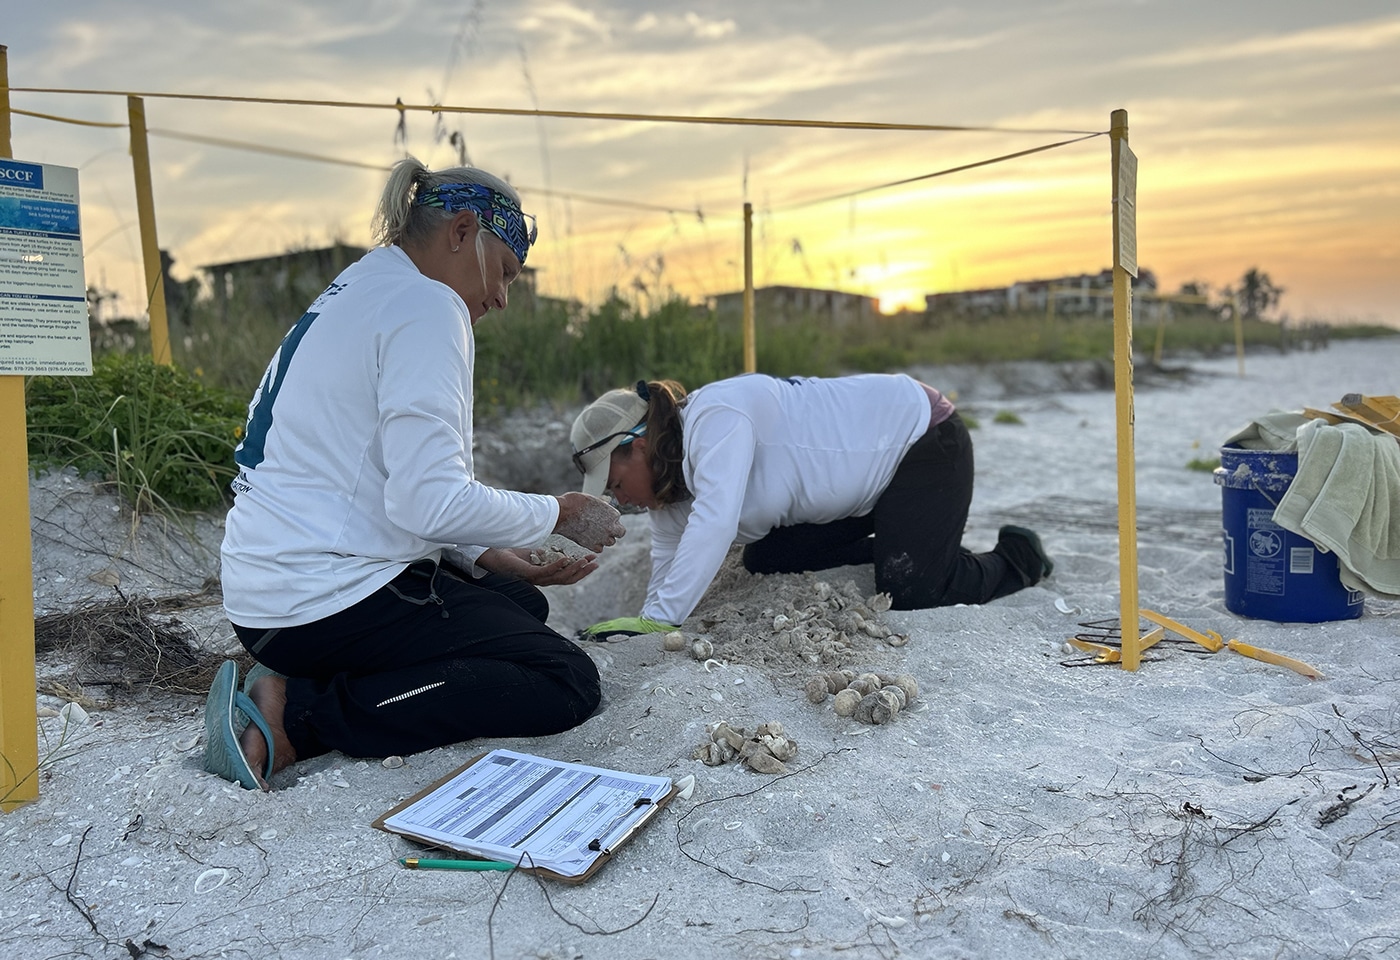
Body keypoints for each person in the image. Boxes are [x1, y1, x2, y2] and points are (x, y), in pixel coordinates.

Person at [206, 157, 625, 791]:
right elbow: (429, 502)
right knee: (564, 681)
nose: (503, 298)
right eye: (505, 272)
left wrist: (493, 554)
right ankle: (298, 716)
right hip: (320, 598)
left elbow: (393, 481)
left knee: (522, 602)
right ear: (461, 232)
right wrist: (559, 513)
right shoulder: (429, 305)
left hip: (265, 589)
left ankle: (300, 679)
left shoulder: (361, 286)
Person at [569, 373, 1051, 638]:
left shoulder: (715, 417)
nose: (618, 499)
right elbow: (669, 555)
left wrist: (662, 619)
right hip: (861, 492)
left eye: (613, 483)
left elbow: (715, 523)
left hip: (919, 438)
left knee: (914, 590)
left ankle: (1018, 557)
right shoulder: (671, 489)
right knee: (766, 557)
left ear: (637, 444)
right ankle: (911, 541)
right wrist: (648, 619)